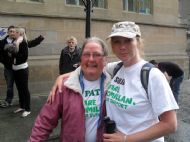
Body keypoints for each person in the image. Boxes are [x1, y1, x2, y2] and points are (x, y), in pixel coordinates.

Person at [48, 21, 179, 142]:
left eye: (128, 41)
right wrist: (63, 77)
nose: (122, 47)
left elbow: (170, 125)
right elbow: (92, 67)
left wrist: (127, 139)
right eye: (117, 41)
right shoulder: (117, 68)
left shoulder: (152, 76)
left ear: (138, 42)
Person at [29, 37, 110, 141]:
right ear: (81, 58)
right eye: (86, 54)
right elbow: (45, 122)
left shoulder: (114, 84)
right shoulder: (64, 86)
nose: (91, 59)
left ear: (105, 59)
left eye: (97, 54)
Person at [0, 26, 44, 108]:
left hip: (18, 68)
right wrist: (6, 62)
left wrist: (40, 38)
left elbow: (29, 44)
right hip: (9, 68)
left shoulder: (18, 40)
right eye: (11, 31)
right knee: (10, 86)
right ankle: (8, 101)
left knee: (20, 87)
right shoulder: (2, 42)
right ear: (8, 32)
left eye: (14, 31)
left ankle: (23, 104)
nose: (13, 33)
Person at [10, 27, 31, 117]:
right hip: (15, 68)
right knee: (19, 88)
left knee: (24, 89)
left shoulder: (23, 43)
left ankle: (27, 109)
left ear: (21, 34)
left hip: (22, 69)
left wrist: (12, 53)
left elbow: (24, 57)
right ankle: (22, 106)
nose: (14, 33)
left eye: (17, 32)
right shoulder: (14, 42)